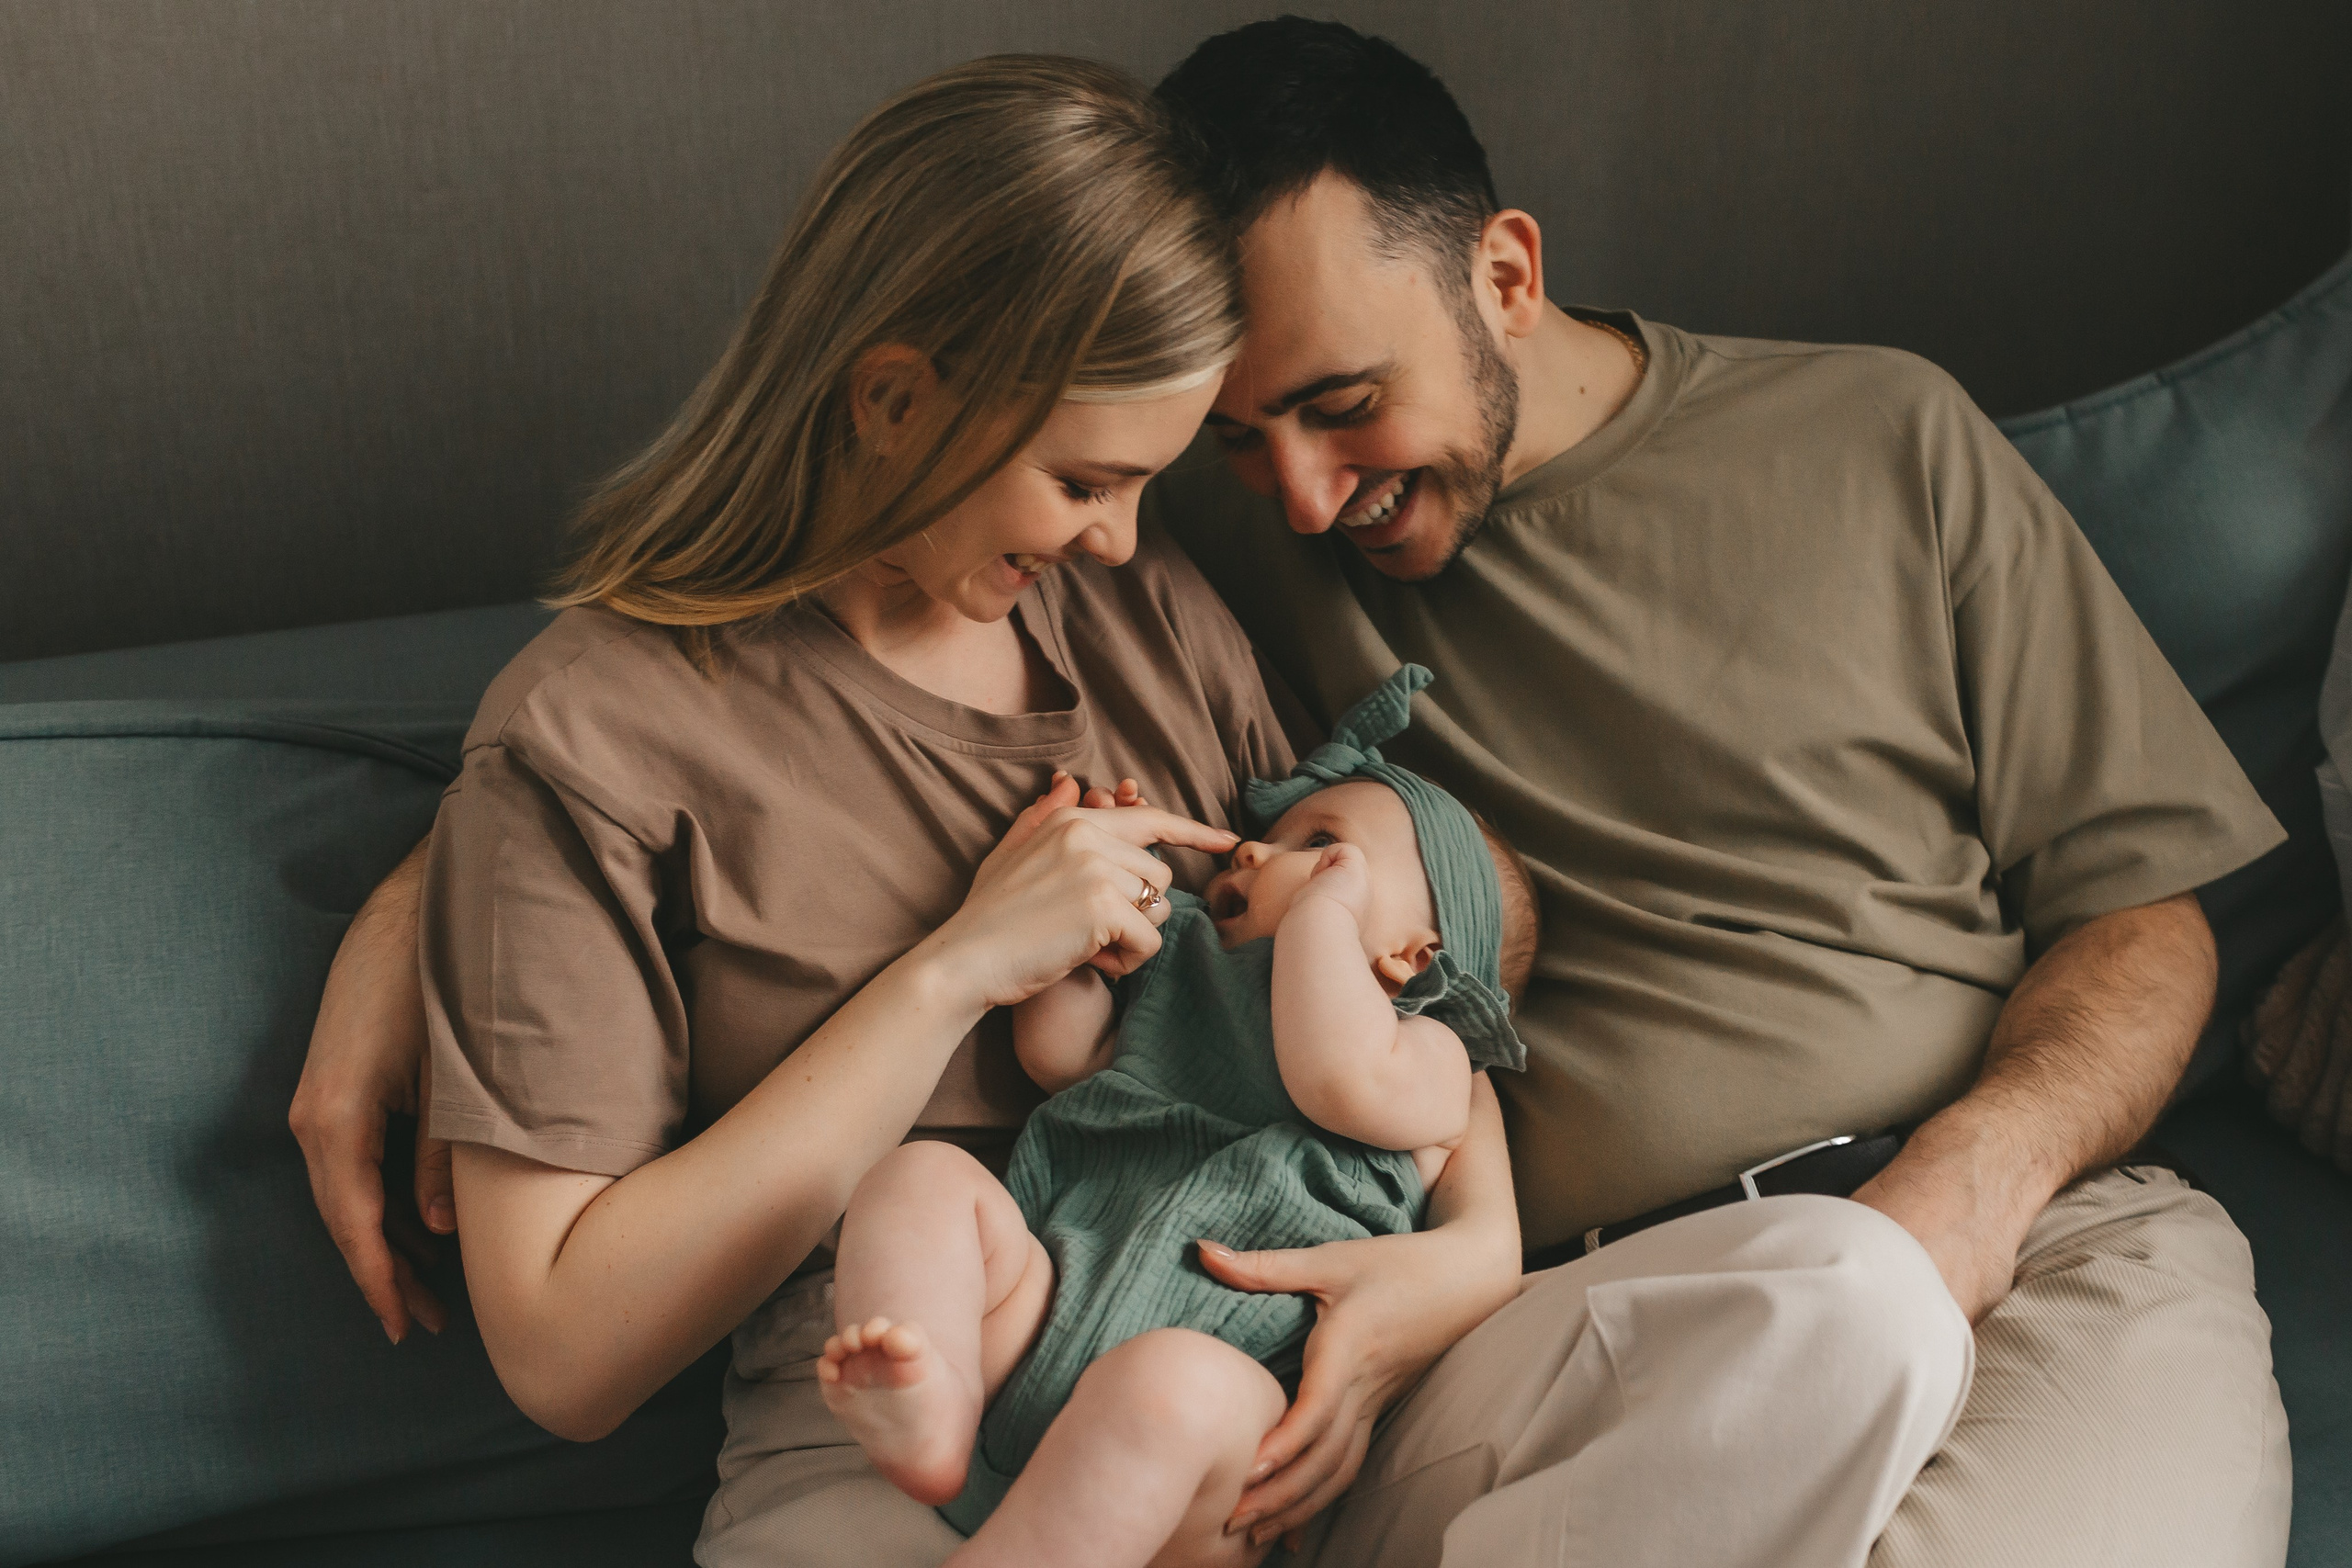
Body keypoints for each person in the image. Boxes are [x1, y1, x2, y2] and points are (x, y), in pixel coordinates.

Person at [293, 52, 1535, 1568]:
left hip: (1243, 1376)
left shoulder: (1142, 609)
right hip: (887, 1390)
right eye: (1085, 479)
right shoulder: (595, 739)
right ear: (893, 399)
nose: (1121, 538)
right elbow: (564, 1350)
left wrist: (1477, 1246)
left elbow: (1407, 947)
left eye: (1148, 481)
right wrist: (954, 968)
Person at [819, 668, 1541, 1566]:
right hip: (1038, 1309)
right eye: (1269, 837)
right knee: (921, 1178)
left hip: (1210, 1429)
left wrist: (1321, 918)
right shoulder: (1185, 961)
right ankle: (932, 1393)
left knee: (1170, 1386)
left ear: (1413, 956)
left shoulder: (1428, 1056)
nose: (1253, 852)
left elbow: (1335, 1077)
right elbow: (1059, 1058)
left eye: (1321, 843)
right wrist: (1087, 935)